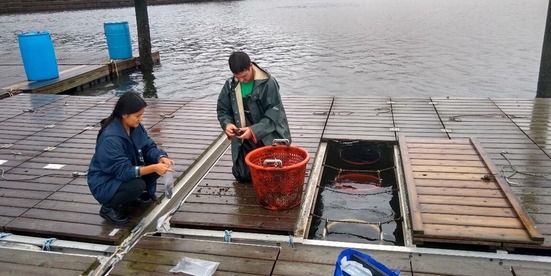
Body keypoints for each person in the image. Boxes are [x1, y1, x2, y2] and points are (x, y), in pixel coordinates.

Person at [88, 92, 174, 224]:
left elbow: (148, 146)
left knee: (156, 163)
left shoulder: (135, 126)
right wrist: (153, 168)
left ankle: (138, 196)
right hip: (106, 182)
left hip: (128, 170)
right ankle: (108, 208)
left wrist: (160, 157)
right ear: (124, 114)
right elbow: (123, 172)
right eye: (138, 116)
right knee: (137, 185)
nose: (141, 119)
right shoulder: (110, 139)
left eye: (142, 115)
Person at [217, 51, 291, 182]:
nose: (241, 80)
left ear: (250, 66)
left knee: (274, 172)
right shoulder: (229, 85)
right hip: (244, 135)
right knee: (242, 175)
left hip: (270, 133)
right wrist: (227, 124)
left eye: (244, 76)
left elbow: (273, 115)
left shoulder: (269, 83)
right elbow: (223, 110)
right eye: (237, 77)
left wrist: (253, 131)